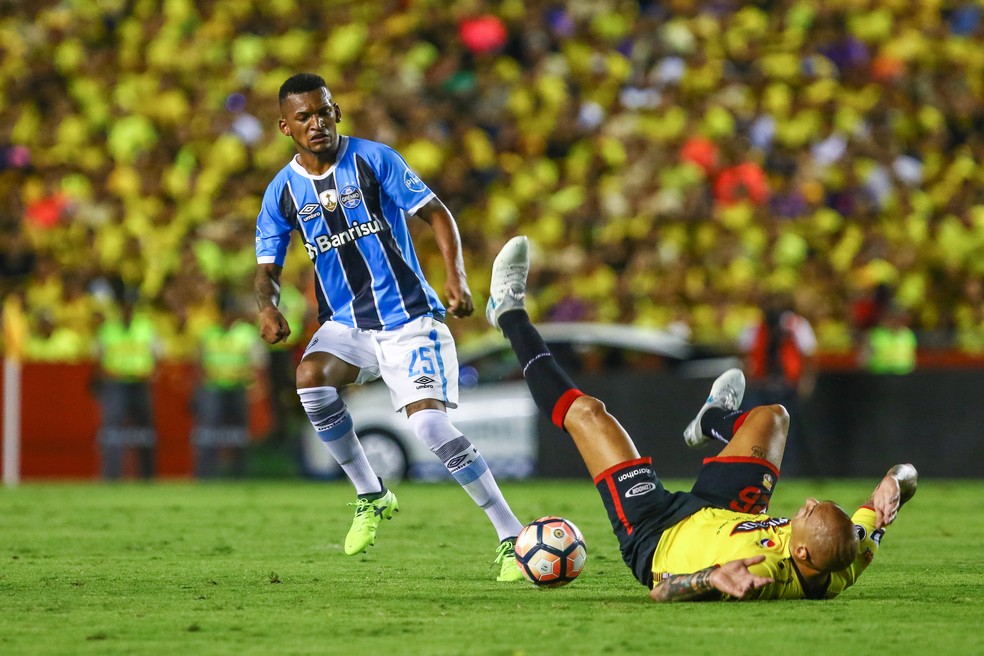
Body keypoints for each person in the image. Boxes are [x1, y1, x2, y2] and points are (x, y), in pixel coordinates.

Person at [485, 236, 918, 601]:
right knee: (773, 416)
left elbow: (662, 592)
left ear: (801, 556)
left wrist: (708, 578)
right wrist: (896, 482)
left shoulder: (758, 574)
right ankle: (714, 419)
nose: (803, 504)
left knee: (589, 414)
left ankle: (508, 311)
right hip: (725, 511)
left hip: (657, 532)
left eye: (810, 513)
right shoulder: (848, 556)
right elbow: (905, 478)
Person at [253, 73, 525, 580]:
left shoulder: (375, 160)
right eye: (304, 117)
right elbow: (266, 269)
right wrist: (267, 308)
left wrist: (457, 277)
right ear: (285, 127)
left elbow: (437, 214)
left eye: (323, 111)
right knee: (308, 378)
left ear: (337, 112)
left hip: (409, 320)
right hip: (348, 325)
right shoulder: (281, 192)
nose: (316, 123)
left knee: (428, 426)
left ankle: (511, 536)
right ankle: (371, 494)